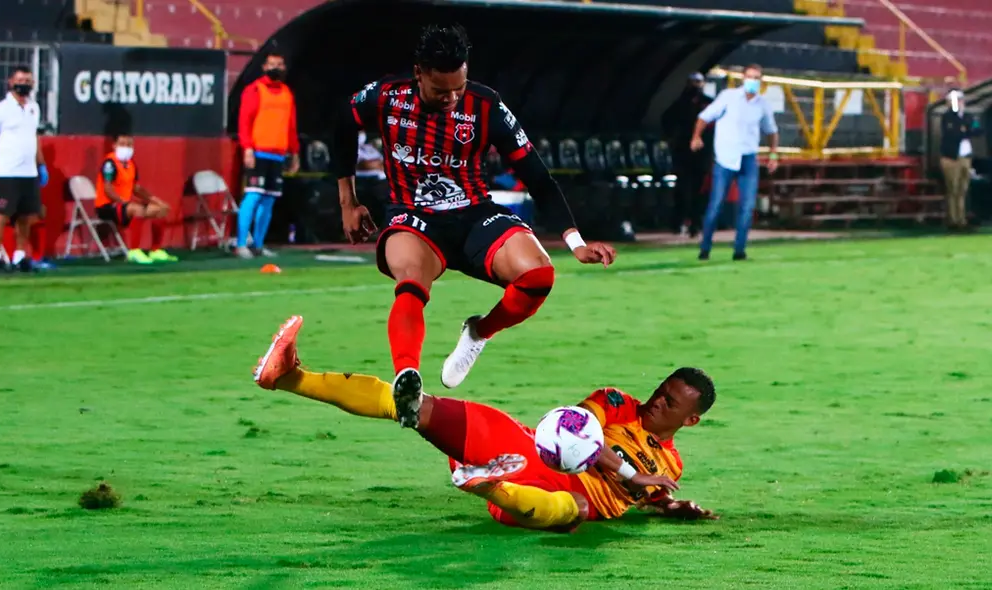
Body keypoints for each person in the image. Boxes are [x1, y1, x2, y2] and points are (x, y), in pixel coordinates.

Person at [332, 24, 616, 420]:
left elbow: (537, 177)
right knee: (411, 280)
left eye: (458, 88)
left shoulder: (486, 106)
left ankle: (479, 331)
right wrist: (348, 202)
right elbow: (342, 123)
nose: (451, 99)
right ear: (419, 73)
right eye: (440, 90)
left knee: (539, 276)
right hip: (413, 215)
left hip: (474, 213)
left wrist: (576, 243)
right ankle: (407, 380)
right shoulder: (386, 96)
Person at [253, 316, 718, 531]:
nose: (657, 401)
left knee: (575, 510)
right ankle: (289, 377)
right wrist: (632, 474)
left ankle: (489, 486)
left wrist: (670, 506)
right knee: (415, 405)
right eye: (661, 390)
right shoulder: (615, 403)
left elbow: (648, 498)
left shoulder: (671, 466)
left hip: (546, 495)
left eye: (670, 403)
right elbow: (579, 436)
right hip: (529, 450)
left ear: (690, 420)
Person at [691, 64, 779, 261]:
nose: (753, 81)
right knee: (716, 204)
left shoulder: (762, 104)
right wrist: (696, 136)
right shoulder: (728, 97)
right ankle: (705, 247)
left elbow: (771, 131)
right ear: (743, 78)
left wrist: (773, 155)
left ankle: (739, 249)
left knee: (747, 206)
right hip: (725, 158)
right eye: (750, 77)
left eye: (756, 78)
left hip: (748, 158)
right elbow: (704, 117)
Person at [236, 52, 300, 259]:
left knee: (269, 200)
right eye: (272, 64)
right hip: (258, 151)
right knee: (253, 196)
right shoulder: (255, 89)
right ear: (264, 67)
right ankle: (240, 244)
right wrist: (247, 148)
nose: (276, 68)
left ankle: (258, 244)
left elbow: (291, 126)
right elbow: (245, 121)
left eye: (280, 64)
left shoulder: (287, 92)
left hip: (278, 154)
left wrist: (294, 153)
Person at [0, 66, 49, 273]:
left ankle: (19, 256)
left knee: (25, 216)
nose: (23, 84)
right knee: (2, 214)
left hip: (29, 171)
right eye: (20, 80)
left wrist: (41, 165)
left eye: (27, 80)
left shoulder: (34, 108)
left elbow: (35, 138)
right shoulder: (0, 109)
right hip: (9, 171)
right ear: (11, 82)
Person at [95, 134, 177, 264]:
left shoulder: (131, 164)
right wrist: (123, 202)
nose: (126, 148)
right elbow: (108, 189)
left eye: (129, 145)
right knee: (137, 209)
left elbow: (136, 188)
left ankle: (155, 250)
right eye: (122, 144)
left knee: (160, 209)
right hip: (107, 206)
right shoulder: (109, 164)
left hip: (125, 206)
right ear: (114, 145)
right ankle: (134, 251)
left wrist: (154, 200)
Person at [663, 72, 713, 237]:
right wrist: (672, 139)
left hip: (702, 152)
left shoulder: (708, 103)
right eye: (693, 82)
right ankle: (678, 222)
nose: (695, 85)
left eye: (698, 82)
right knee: (682, 189)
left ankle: (695, 224)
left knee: (699, 190)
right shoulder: (680, 103)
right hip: (683, 152)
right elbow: (667, 120)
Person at [939, 89, 981, 230]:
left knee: (963, 190)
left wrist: (965, 130)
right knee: (953, 189)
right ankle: (953, 220)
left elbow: (977, 130)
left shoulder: (968, 116)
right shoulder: (947, 117)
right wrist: (966, 130)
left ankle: (961, 219)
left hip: (965, 157)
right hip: (951, 158)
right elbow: (953, 133)